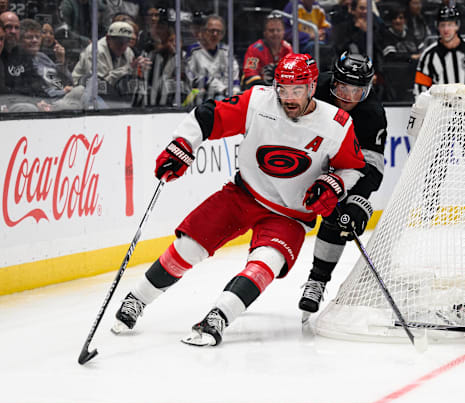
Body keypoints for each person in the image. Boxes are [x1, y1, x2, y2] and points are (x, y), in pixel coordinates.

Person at [111, 53, 366, 347]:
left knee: (265, 262)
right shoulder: (258, 101)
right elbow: (207, 115)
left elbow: (353, 168)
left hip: (290, 215)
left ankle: (219, 316)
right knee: (188, 247)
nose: (288, 97)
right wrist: (182, 144)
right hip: (243, 195)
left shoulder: (336, 123)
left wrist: (334, 183)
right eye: (282, 89)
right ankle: (137, 299)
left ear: (311, 87)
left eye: (296, 90)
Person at [298, 52, 387, 317]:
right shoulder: (311, 90)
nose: (347, 97)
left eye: (357, 91)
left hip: (338, 168)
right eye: (342, 88)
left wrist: (358, 198)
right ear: (332, 81)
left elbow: (373, 167)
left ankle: (317, 280)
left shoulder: (372, 114)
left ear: (368, 90)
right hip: (301, 156)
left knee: (340, 212)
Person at [414, 5, 465, 95]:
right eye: (442, 25)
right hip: (440, 107)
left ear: (457, 26)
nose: (446, 29)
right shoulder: (429, 55)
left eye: (450, 25)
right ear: (437, 27)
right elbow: (421, 89)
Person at [72, 21, 150, 91]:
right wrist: (128, 69)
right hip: (81, 90)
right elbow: (101, 85)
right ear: (108, 39)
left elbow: (129, 81)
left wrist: (138, 70)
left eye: (126, 41)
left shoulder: (128, 51)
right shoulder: (95, 51)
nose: (122, 46)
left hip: (113, 94)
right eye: (119, 41)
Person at [185, 15, 240, 102]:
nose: (215, 34)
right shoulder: (193, 51)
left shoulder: (227, 52)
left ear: (222, 35)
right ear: (203, 32)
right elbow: (195, 79)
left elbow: (234, 78)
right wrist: (223, 89)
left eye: (219, 31)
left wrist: (236, 91)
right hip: (199, 99)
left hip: (224, 98)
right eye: (212, 31)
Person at [241, 12, 292, 90]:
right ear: (265, 33)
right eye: (271, 30)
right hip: (258, 90)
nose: (275, 33)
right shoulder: (254, 49)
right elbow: (250, 75)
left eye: (278, 30)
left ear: (283, 32)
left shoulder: (287, 48)